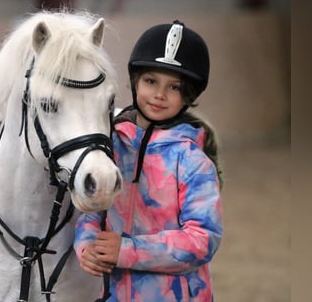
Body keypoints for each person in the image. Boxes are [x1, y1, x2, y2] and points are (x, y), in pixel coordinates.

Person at [74, 20, 224, 301]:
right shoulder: (111, 145)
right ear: (135, 82)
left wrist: (126, 250)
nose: (159, 94)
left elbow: (203, 240)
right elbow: (92, 211)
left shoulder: (193, 161)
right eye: (151, 81)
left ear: (188, 95)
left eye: (174, 87)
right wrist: (87, 246)